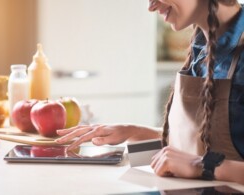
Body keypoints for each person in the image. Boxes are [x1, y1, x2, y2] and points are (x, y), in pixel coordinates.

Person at [55, 0, 244, 185]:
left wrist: (201, 166)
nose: (151, 6)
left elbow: (199, 160)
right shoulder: (202, 47)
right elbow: (200, 145)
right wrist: (132, 132)